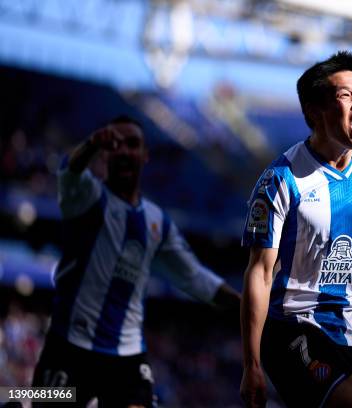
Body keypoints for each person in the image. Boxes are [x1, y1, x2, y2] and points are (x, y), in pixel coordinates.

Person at [31, 115, 240, 408]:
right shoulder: (87, 198)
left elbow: (196, 278)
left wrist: (247, 306)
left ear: (145, 155)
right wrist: (91, 143)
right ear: (106, 153)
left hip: (126, 357)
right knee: (34, 399)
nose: (126, 150)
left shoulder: (157, 223)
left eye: (133, 144)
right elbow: (70, 171)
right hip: (69, 348)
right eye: (117, 144)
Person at [240, 51, 352, 408]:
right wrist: (251, 364)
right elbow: (259, 273)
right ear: (315, 113)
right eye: (345, 96)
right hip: (294, 325)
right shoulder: (280, 179)